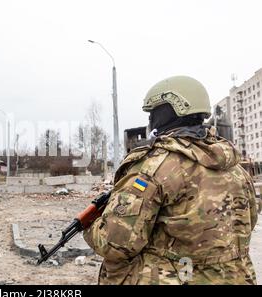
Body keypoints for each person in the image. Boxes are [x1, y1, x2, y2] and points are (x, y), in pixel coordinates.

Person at [83, 75, 259, 285]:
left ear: (172, 110)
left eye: (154, 112)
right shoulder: (235, 168)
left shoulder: (153, 168)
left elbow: (115, 244)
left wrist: (91, 225)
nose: (150, 121)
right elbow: (247, 223)